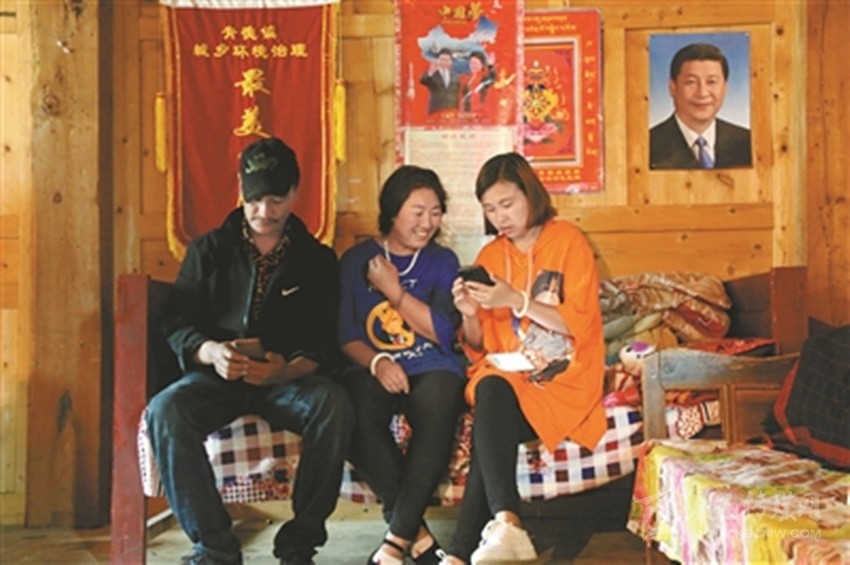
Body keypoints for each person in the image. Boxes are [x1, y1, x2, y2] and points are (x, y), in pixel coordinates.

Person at [145, 136, 355, 565]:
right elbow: (177, 323)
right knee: (166, 410)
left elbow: (323, 342)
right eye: (254, 200)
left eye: (276, 200)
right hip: (216, 378)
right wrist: (211, 352)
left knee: (333, 403)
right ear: (240, 190)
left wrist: (284, 371)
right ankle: (215, 548)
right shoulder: (208, 250)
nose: (264, 212)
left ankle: (299, 545)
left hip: (284, 382)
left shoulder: (315, 259)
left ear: (295, 192)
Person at [439, 153, 607, 564]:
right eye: (490, 209)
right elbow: (479, 346)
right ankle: (504, 526)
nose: (501, 217)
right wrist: (468, 313)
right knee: (490, 385)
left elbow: (579, 324)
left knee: (489, 425)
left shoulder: (568, 241)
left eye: (507, 204)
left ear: (530, 194)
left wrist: (517, 300)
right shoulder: (490, 256)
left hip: (562, 374)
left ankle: (467, 548)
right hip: (509, 378)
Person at [336, 165, 467, 565]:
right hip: (374, 366)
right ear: (393, 211)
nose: (428, 223)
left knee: (441, 401)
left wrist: (393, 291)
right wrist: (377, 362)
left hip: (432, 365)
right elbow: (345, 333)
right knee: (353, 412)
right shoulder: (357, 259)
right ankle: (418, 538)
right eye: (417, 212)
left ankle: (395, 541)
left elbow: (442, 331)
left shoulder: (443, 261)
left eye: (436, 212)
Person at [649, 42, 752, 170]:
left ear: (725, 88)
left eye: (711, 82)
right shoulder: (648, 144)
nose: (702, 93)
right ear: (672, 87)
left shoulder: (747, 142)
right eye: (691, 82)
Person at [420, 48, 461, 114]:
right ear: (438, 60)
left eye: (447, 60)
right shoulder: (433, 74)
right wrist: (431, 72)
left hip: (451, 112)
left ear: (451, 62)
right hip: (435, 111)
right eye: (442, 60)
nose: (444, 62)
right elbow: (423, 81)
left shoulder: (455, 76)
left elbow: (456, 94)